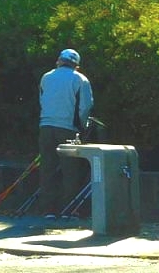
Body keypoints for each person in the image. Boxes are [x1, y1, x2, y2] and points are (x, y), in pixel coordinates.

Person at [38, 48, 93, 220]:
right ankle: (69, 209)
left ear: (59, 60)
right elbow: (85, 106)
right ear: (76, 65)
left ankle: (48, 210)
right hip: (68, 128)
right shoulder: (80, 79)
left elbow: (42, 99)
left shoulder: (46, 77)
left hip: (45, 127)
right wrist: (83, 126)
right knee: (70, 171)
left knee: (47, 168)